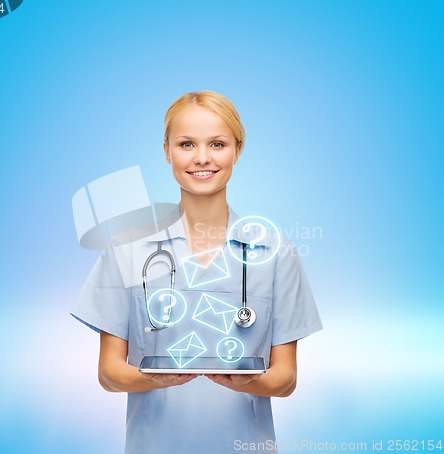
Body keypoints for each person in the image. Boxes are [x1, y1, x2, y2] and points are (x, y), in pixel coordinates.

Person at [71, 90, 323, 453]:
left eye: (217, 144)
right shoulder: (126, 247)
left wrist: (240, 382)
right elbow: (109, 373)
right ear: (166, 151)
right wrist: (159, 379)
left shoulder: (275, 251)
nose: (202, 158)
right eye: (187, 144)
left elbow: (285, 379)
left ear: (238, 150)